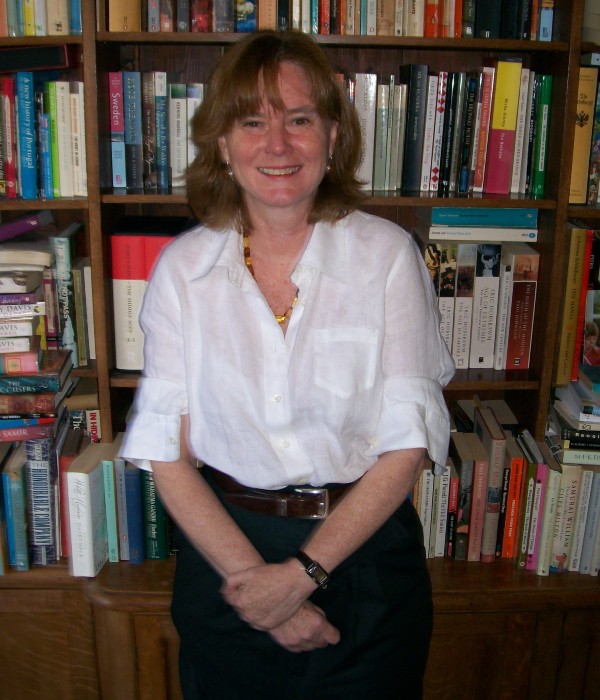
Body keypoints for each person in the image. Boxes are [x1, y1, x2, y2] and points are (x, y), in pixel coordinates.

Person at [120, 29, 455, 700]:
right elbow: (167, 452)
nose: (278, 146)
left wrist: (303, 575)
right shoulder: (182, 271)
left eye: (300, 120)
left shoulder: (388, 257)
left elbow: (408, 443)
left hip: (361, 560)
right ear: (222, 144)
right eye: (253, 123)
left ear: (332, 135)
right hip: (227, 556)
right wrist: (257, 587)